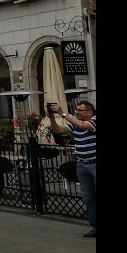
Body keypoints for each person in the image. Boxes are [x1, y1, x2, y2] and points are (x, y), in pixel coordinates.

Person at [53, 100, 96, 238]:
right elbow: (58, 130)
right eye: (76, 110)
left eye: (80, 110)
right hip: (82, 164)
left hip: (95, 164)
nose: (77, 112)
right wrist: (52, 117)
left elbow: (82, 125)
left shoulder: (93, 121)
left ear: (90, 112)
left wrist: (62, 113)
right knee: (88, 197)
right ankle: (95, 226)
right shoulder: (75, 123)